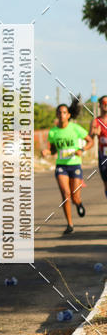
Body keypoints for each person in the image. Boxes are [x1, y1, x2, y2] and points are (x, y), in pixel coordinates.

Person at [41, 99, 93, 235]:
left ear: (68, 115)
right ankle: (70, 224)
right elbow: (53, 150)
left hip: (75, 165)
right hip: (61, 166)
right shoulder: (53, 132)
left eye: (64, 112)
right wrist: (47, 152)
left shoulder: (75, 128)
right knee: (65, 194)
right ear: (56, 115)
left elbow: (90, 141)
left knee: (75, 197)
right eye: (59, 112)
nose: (62, 115)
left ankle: (79, 203)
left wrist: (82, 149)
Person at [89, 94, 107, 198]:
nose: (106, 105)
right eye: (104, 103)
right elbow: (89, 139)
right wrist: (94, 133)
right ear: (99, 105)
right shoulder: (95, 121)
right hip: (103, 156)